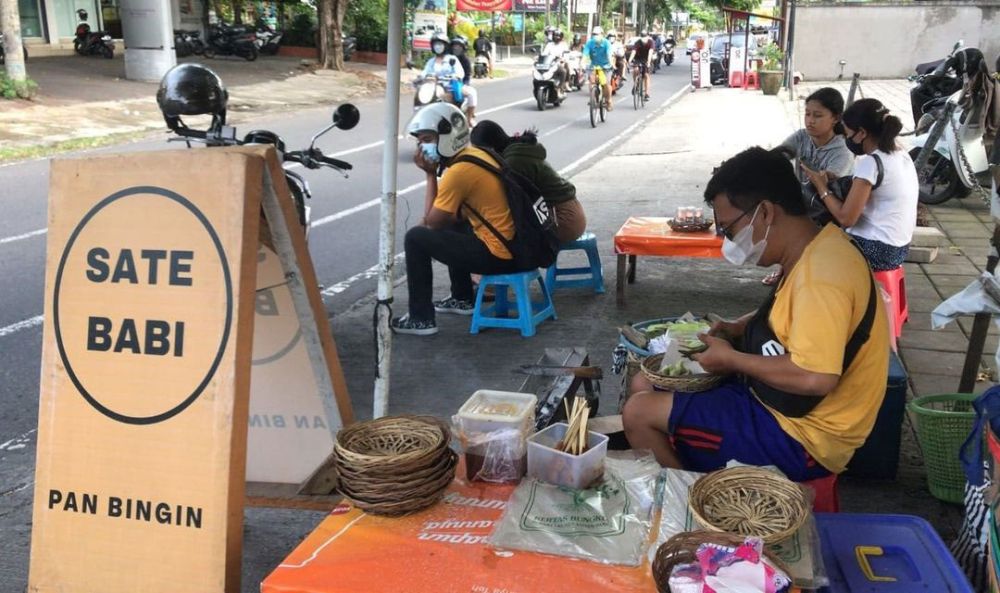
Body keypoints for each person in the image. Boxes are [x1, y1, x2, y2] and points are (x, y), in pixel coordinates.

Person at [623, 146, 890, 482]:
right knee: (643, 380)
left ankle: (698, 506)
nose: (728, 240)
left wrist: (733, 361)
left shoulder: (821, 277)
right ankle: (697, 476)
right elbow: (793, 313)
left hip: (805, 436)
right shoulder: (816, 248)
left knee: (637, 413)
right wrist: (737, 327)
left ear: (765, 212)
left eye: (729, 229)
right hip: (779, 401)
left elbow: (816, 377)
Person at [391, 103, 522, 335]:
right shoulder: (473, 156)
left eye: (428, 139)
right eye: (420, 141)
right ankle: (463, 298)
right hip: (512, 247)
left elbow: (432, 223)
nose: (422, 147)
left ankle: (421, 319)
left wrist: (430, 175)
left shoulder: (459, 172)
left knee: (415, 238)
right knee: (453, 223)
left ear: (447, 136)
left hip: (500, 256)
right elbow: (446, 217)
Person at [801, 98, 918, 271]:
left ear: (862, 133)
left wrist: (821, 186)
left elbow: (846, 218)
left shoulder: (871, 163)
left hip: (876, 250)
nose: (848, 139)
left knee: (807, 248)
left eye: (849, 135)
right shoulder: (900, 153)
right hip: (899, 248)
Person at [764, 87, 854, 285]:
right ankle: (785, 268)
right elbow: (779, 156)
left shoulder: (842, 151)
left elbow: (829, 181)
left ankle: (792, 272)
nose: (810, 120)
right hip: (804, 203)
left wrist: (819, 177)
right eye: (807, 114)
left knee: (793, 225)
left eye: (818, 116)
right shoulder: (802, 137)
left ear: (835, 118)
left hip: (829, 210)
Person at [471, 120, 587, 244]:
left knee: (501, 240)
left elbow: (510, 202)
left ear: (490, 148)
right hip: (571, 215)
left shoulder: (513, 162)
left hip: (563, 220)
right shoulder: (515, 152)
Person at [583, 26, 614, 110]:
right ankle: (593, 97)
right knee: (592, 81)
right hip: (594, 66)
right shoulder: (590, 43)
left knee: (606, 84)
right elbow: (585, 55)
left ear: (602, 34)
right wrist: (582, 64)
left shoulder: (607, 43)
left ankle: (608, 100)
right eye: (594, 34)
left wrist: (611, 63)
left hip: (606, 66)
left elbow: (609, 55)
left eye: (597, 34)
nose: (595, 36)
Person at [449, 35, 478, 124]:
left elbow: (467, 76)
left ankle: (470, 118)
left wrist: (463, 84)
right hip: (443, 85)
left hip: (458, 85)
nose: (456, 48)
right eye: (455, 46)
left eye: (459, 46)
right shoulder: (446, 58)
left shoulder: (465, 61)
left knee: (472, 93)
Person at [541, 28, 571, 93]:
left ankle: (561, 87)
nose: (556, 37)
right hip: (549, 63)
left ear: (561, 37)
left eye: (558, 36)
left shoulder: (564, 45)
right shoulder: (549, 45)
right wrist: (540, 57)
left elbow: (566, 55)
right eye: (555, 35)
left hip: (558, 63)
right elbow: (544, 53)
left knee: (563, 71)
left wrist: (563, 59)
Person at [627, 30, 654, 101]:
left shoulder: (651, 42)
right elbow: (633, 52)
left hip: (646, 59)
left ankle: (647, 93)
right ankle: (635, 84)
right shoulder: (638, 42)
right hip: (638, 59)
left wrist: (648, 62)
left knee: (646, 75)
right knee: (635, 70)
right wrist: (629, 60)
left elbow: (650, 53)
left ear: (648, 36)